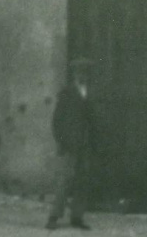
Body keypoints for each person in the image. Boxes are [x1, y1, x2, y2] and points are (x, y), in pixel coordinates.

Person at [46, 58, 95, 231]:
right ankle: (54, 216)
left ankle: (77, 216)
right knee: (65, 181)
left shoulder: (90, 93)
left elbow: (93, 119)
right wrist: (61, 142)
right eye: (79, 72)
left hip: (86, 144)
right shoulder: (66, 93)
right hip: (70, 144)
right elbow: (56, 121)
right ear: (74, 74)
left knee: (83, 181)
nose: (82, 75)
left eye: (85, 72)